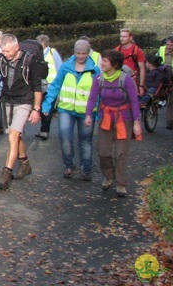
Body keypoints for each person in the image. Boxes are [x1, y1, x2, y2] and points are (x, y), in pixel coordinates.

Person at [0, 34, 42, 191]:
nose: (5, 54)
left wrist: (36, 108)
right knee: (17, 135)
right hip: (7, 101)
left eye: (8, 51)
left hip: (24, 101)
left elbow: (36, 86)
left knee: (12, 135)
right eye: (3, 50)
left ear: (17, 48)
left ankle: (5, 174)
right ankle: (24, 163)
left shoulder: (29, 60)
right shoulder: (0, 59)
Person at [85, 49, 142, 197]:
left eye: (105, 61)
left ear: (115, 64)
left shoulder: (126, 80)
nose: (101, 63)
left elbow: (134, 101)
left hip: (124, 119)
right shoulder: (99, 79)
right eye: (101, 60)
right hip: (106, 118)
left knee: (121, 153)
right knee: (103, 151)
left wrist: (137, 122)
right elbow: (92, 98)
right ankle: (109, 176)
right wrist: (88, 115)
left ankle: (121, 183)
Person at [41, 40, 100, 180]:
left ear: (88, 52)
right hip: (66, 109)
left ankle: (86, 169)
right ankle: (69, 165)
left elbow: (98, 93)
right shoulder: (66, 67)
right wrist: (47, 105)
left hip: (86, 112)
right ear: (74, 52)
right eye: (78, 53)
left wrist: (96, 113)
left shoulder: (94, 70)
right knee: (65, 138)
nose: (81, 56)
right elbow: (55, 85)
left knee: (85, 141)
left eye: (84, 53)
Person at [35, 35, 63, 140]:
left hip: (51, 85)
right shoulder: (36, 54)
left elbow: (60, 68)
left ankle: (44, 130)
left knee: (48, 108)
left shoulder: (53, 53)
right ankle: (43, 129)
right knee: (42, 108)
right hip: (40, 85)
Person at [115, 28, 146, 97]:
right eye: (121, 36)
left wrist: (141, 86)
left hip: (133, 80)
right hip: (119, 80)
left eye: (124, 36)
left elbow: (142, 69)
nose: (122, 39)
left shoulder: (137, 50)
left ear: (130, 38)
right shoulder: (116, 50)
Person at [156, 35, 173, 129]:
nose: (169, 47)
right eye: (168, 44)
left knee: (171, 100)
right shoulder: (161, 49)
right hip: (162, 75)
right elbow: (155, 60)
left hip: (171, 76)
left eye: (171, 45)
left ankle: (170, 121)